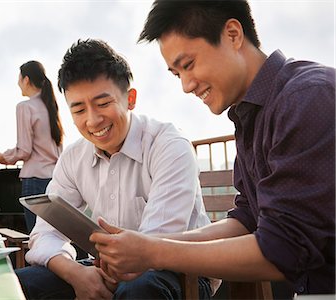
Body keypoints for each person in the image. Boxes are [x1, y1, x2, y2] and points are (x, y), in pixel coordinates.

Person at [90, 0, 335, 296]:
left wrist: (152, 252)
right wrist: (146, 246)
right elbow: (247, 219)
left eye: (188, 65)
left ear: (232, 34)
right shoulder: (253, 112)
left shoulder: (306, 97)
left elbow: (283, 248)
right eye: (176, 74)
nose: (186, 85)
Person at [15, 39, 215, 300]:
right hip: (104, 267)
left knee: (139, 289)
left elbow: (159, 241)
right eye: (78, 109)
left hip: (179, 271)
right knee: (19, 284)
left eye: (103, 103)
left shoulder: (168, 145)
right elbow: (44, 233)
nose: (92, 120)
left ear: (130, 99)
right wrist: (77, 274)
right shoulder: (74, 157)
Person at [0, 61, 64, 233]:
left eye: (19, 78)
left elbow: (24, 150)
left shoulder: (25, 107)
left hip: (34, 181)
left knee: (37, 237)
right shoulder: (50, 106)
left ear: (26, 79)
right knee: (53, 236)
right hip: (54, 179)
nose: (18, 83)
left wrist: (1, 157)